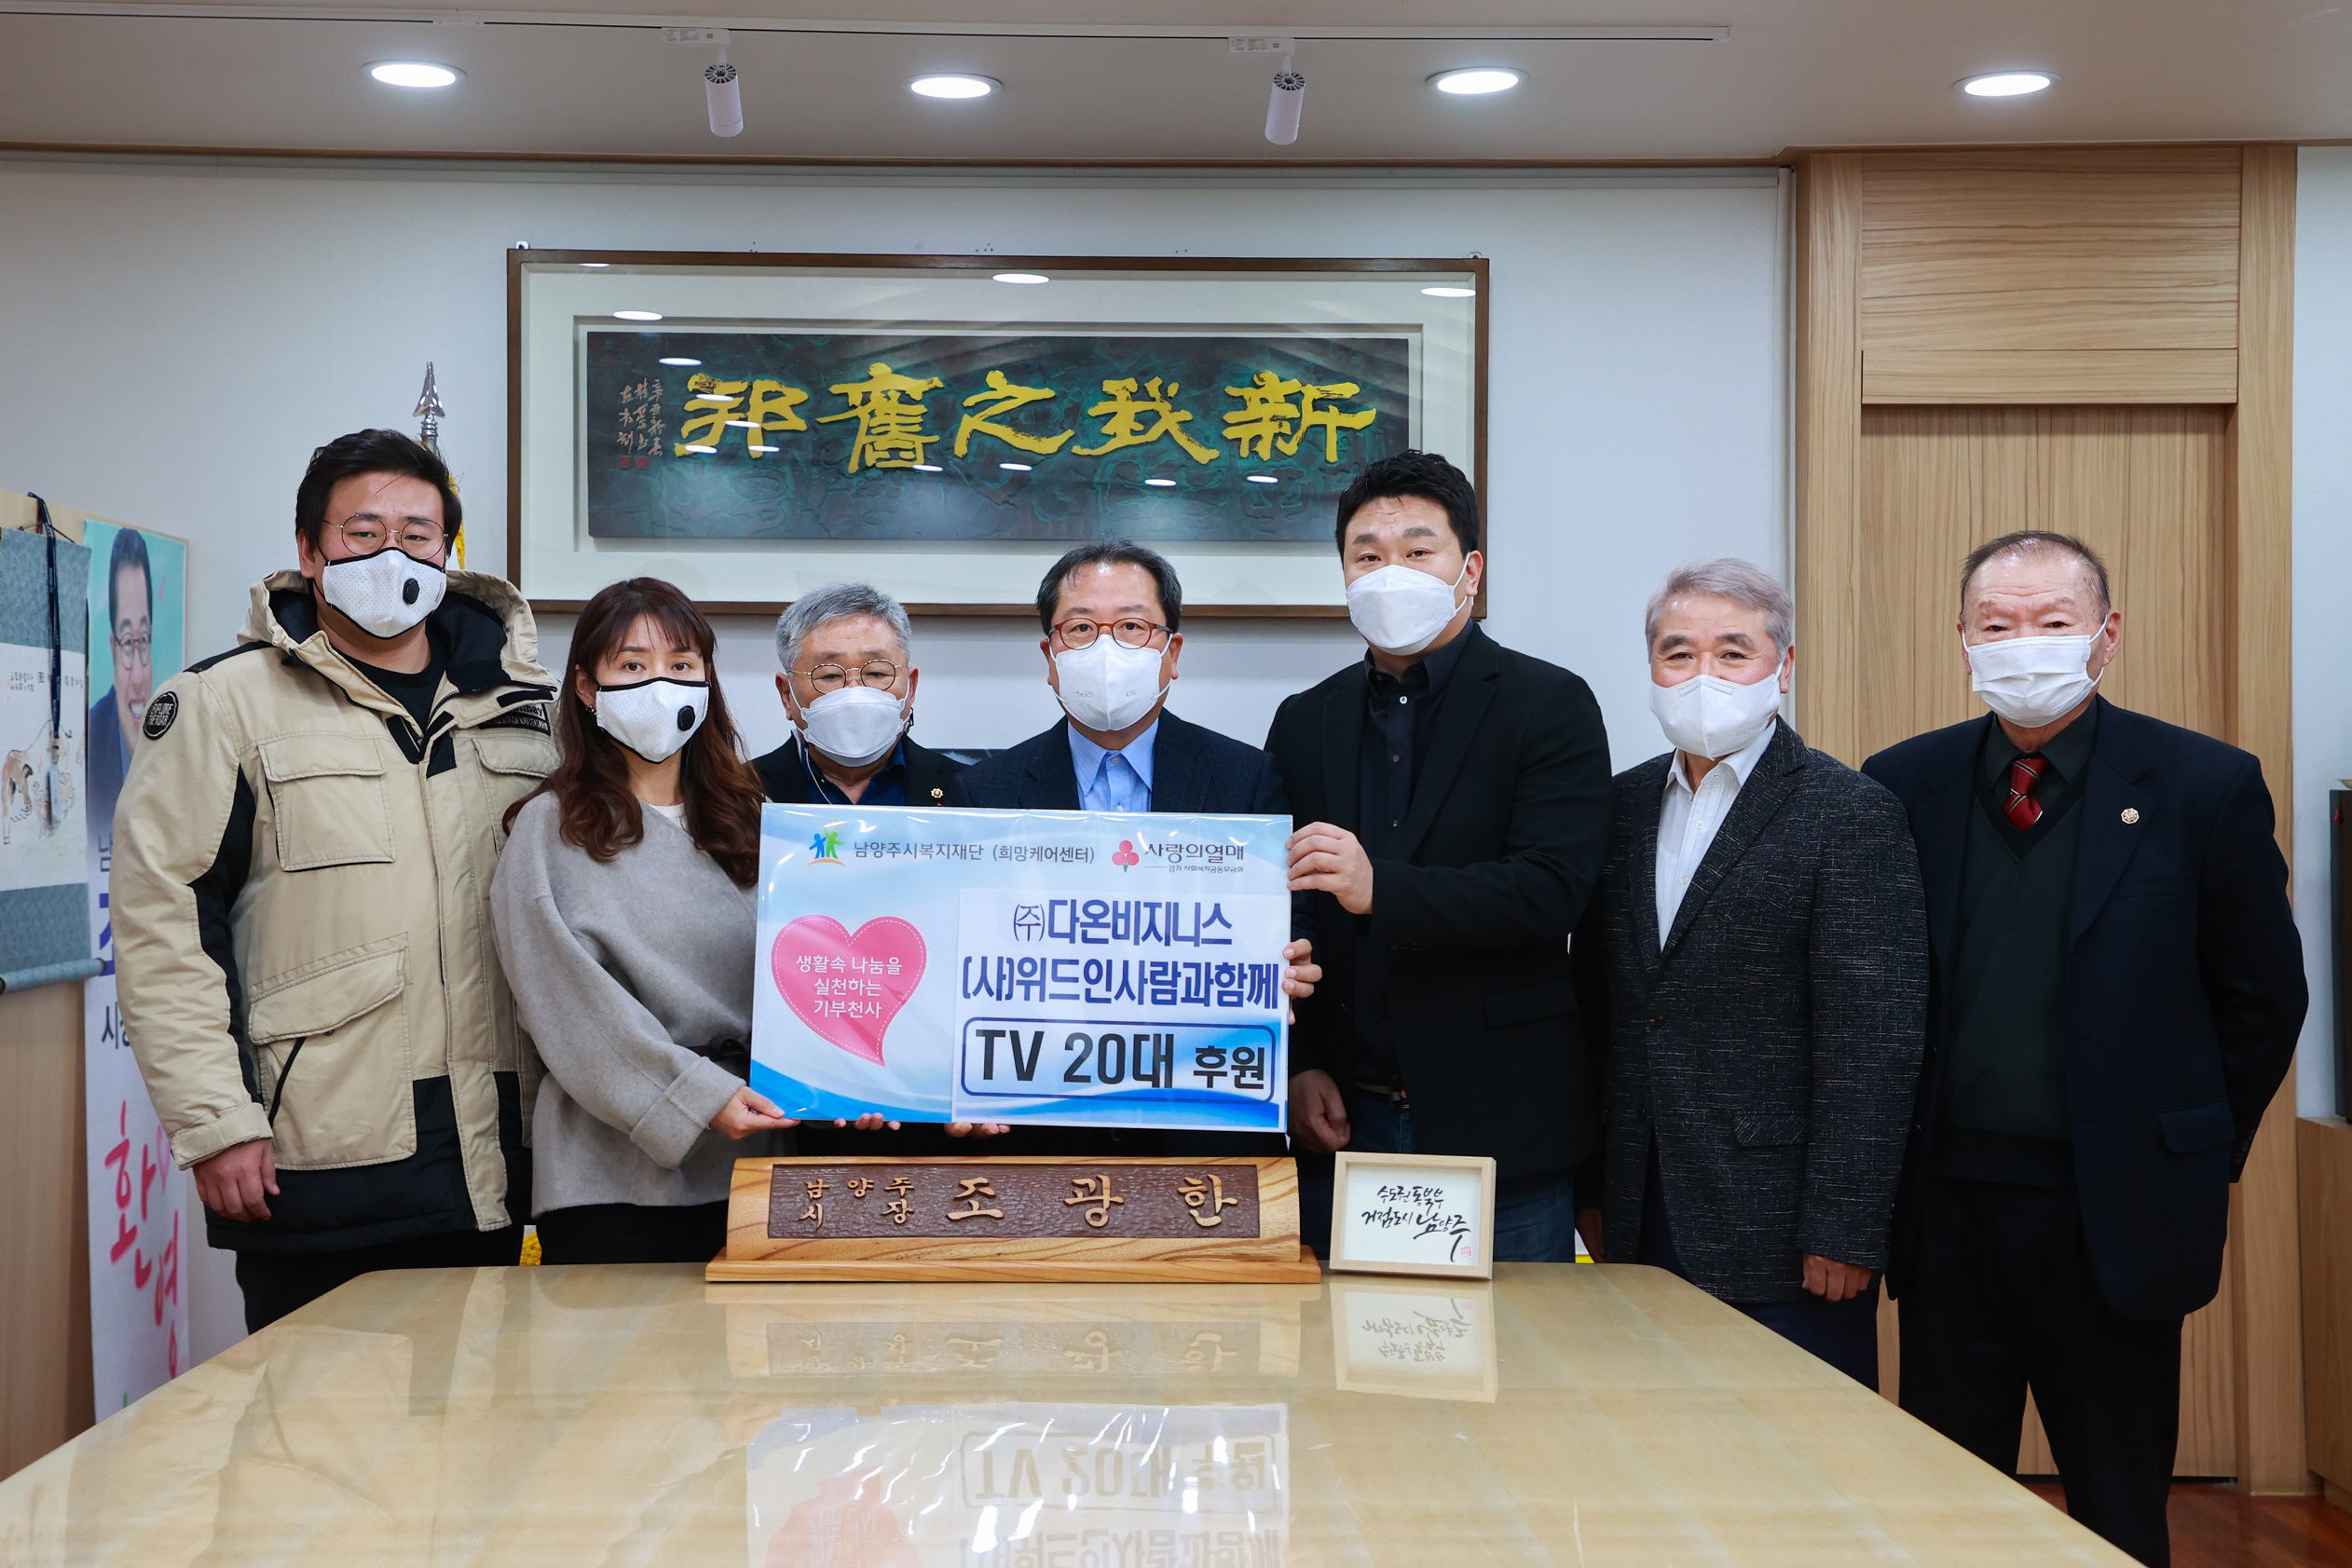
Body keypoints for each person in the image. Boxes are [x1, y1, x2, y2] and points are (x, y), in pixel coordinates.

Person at [1863, 531, 2305, 1567]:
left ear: (2106, 637)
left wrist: (2189, 1147)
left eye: (2052, 622)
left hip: (2115, 1210)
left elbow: (2262, 997)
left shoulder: (2202, 783)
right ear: (1962, 640)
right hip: (1947, 1208)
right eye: (1997, 624)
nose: (2024, 644)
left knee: (2116, 1509)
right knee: (1945, 1504)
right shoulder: (1903, 783)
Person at [112, 429, 560, 1331]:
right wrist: (216, 1121)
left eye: (418, 534)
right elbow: (167, 922)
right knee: (318, 1415)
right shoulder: (223, 703)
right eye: (363, 532)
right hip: (322, 1159)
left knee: (505, 1415)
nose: (394, 553)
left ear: (446, 552)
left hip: (510, 1159)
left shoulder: (522, 708)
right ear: (310, 551)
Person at [1572, 559, 1926, 1386]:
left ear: (1784, 666)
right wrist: (1594, 1185)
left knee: (1797, 1451)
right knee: (1646, 1439)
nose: (1704, 675)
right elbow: (1598, 1009)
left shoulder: (1850, 812)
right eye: (1679, 653)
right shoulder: (1617, 807)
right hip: (1637, 1203)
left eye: (1733, 653)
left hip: (1785, 1229)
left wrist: (1844, 1224)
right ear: (1652, 668)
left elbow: (1874, 1040)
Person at [1266, 449, 1613, 1261]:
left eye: (1418, 551)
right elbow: (1289, 906)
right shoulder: (1305, 718)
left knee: (1514, 1342)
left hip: (1499, 1122)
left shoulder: (1550, 703)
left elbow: (1550, 890)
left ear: (1471, 571)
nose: (1391, 572)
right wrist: (1300, 1063)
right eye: (1368, 556)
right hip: (1342, 1117)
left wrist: (1380, 888)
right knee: (1336, 1340)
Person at [947, 539, 1320, 1154]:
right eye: (1080, 629)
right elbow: (962, 957)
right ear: (1049, 657)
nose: (1106, 648)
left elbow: (1292, 919)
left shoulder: (1246, 778)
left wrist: (1293, 958)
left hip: (1201, 1124)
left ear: (1172, 653)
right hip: (1038, 1126)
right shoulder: (985, 791)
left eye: (1131, 627)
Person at [491, 579, 800, 1263]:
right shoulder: (551, 827)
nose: (661, 685)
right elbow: (567, 1007)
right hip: (613, 1174)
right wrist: (696, 1097)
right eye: (632, 665)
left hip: (759, 1159)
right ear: (586, 685)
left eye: (682, 664)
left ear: (707, 680)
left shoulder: (757, 819)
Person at [750, 581, 965, 809]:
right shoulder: (741, 793)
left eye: (876, 672)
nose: (854, 694)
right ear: (787, 694)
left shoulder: (965, 789)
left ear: (911, 687)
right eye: (830, 675)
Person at [87, 525, 153, 827]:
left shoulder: (174, 735)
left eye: (144, 639)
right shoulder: (89, 742)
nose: (138, 677)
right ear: (113, 647)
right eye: (127, 643)